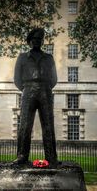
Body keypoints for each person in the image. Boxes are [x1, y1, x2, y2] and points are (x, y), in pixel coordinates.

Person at [13, 28, 58, 166]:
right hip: (28, 90)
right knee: (25, 125)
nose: (37, 41)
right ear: (30, 41)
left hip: (45, 90)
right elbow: (16, 79)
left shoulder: (49, 58)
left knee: (48, 126)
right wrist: (27, 88)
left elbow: (54, 78)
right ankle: (22, 156)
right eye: (34, 39)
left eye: (40, 39)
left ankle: (51, 157)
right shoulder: (22, 57)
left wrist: (46, 87)